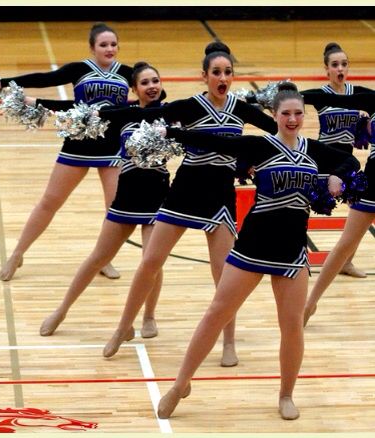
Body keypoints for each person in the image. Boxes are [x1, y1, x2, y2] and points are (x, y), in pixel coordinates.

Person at [151, 82, 360, 420]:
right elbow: (215, 141)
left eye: (297, 113)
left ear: (303, 117)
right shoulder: (260, 146)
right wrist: (171, 133)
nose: (292, 119)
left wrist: (337, 177)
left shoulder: (314, 150)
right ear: (274, 116)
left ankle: (286, 394)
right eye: (285, 113)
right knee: (216, 312)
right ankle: (180, 384)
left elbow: (349, 161)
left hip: (292, 251)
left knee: (291, 325)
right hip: (252, 246)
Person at [99, 41, 278, 367]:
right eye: (216, 72)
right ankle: (123, 326)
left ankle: (229, 341)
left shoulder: (240, 108)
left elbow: (277, 130)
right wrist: (101, 113)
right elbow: (148, 114)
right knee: (150, 261)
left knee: (224, 276)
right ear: (204, 76)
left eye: (227, 72)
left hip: (220, 196)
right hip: (186, 190)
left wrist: (251, 160)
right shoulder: (190, 106)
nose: (222, 77)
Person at [0, 22, 133, 281]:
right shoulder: (80, 69)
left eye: (113, 44)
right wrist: (4, 83)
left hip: (111, 148)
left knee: (114, 209)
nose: (109, 49)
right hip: (77, 144)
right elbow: (44, 79)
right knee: (50, 201)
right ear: (92, 48)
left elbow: (156, 91)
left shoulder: (127, 72)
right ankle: (17, 254)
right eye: (103, 45)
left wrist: (133, 104)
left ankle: (104, 259)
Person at [39, 61, 169, 338]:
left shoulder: (173, 115)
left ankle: (149, 316)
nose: (151, 86)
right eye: (144, 83)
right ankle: (61, 310)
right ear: (134, 89)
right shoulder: (122, 114)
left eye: (155, 80)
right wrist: (31, 100)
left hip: (157, 197)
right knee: (98, 257)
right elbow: (76, 111)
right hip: (126, 196)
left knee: (152, 261)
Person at [299, 90, 375, 327]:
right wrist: (292, 95)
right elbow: (335, 100)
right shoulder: (372, 100)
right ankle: (309, 304)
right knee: (345, 245)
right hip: (373, 181)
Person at [301, 42, 373, 278]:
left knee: (358, 211)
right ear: (326, 69)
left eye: (344, 64)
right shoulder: (321, 96)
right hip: (323, 158)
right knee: (303, 207)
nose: (340, 68)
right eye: (335, 65)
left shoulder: (359, 94)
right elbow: (294, 98)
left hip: (347, 161)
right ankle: (298, 258)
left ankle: (346, 262)